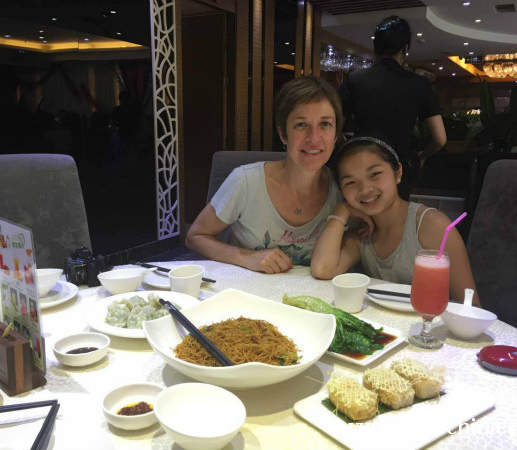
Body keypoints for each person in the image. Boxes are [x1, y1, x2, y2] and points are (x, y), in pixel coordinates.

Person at [185, 76, 343, 274]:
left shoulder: (343, 190)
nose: (314, 138)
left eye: (325, 124)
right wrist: (246, 257)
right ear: (283, 134)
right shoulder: (246, 182)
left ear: (336, 135)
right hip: (246, 290)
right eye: (301, 125)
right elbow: (195, 237)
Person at [310, 135, 480, 306]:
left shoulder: (431, 226)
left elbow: (471, 306)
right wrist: (341, 211)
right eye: (350, 182)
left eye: (375, 174)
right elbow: (322, 269)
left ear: (397, 172)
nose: (365, 189)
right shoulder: (361, 233)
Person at [338, 15, 447, 199]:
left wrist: (350, 150)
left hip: (361, 167)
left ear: (376, 48)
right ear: (405, 49)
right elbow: (440, 139)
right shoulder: (420, 84)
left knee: (360, 214)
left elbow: (334, 129)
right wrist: (422, 156)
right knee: (396, 216)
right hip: (400, 169)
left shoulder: (355, 80)